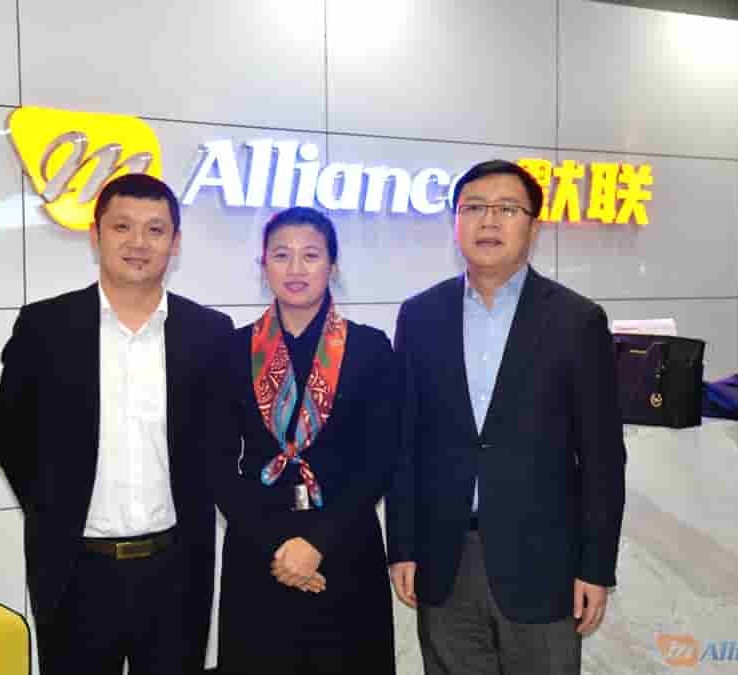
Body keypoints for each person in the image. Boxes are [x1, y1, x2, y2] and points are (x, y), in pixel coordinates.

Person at [386, 160, 627, 675]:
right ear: (456, 222)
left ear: (533, 227)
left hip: (544, 564)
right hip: (444, 558)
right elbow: (405, 443)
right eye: (473, 207)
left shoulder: (576, 320)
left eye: (507, 209)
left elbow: (603, 457)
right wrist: (402, 546)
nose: (489, 221)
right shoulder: (420, 315)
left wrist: (596, 566)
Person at [0, 173, 233, 674]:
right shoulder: (44, 327)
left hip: (176, 572)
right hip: (74, 573)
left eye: (155, 229)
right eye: (122, 226)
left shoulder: (209, 333)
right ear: (95, 234)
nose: (138, 243)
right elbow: (12, 440)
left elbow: (220, 444)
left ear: (175, 242)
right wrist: (54, 513)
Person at [207, 206, 397, 674]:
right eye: (281, 255)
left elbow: (380, 460)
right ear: (263, 265)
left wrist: (317, 544)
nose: (295, 268)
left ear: (332, 265)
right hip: (259, 550)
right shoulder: (232, 350)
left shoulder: (370, 348)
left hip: (344, 544)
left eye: (310, 255)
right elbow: (215, 461)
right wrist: (279, 546)